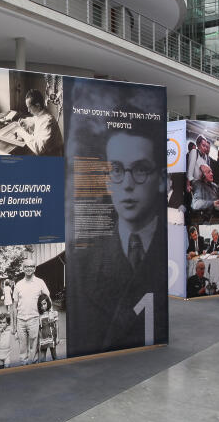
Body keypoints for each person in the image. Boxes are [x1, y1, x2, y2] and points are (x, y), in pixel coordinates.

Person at [67, 124, 166, 356]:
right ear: (107, 179)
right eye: (117, 170)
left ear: (161, 179)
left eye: (141, 169)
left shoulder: (168, 249)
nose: (128, 184)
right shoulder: (81, 263)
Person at [12, 260, 50, 364]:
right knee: (22, 348)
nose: (29, 268)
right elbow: (14, 306)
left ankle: (33, 368)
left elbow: (47, 299)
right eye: (26, 266)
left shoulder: (40, 282)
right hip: (20, 320)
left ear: (34, 268)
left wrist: (47, 315)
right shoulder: (18, 285)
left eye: (31, 266)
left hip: (34, 319)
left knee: (34, 347)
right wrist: (14, 325)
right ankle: (23, 367)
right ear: (23, 268)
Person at [7, 89, 63, 156]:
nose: (28, 110)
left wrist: (22, 133)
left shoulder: (48, 122)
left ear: (38, 105)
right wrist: (26, 121)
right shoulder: (40, 114)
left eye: (29, 107)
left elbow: (39, 149)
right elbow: (35, 119)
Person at [37, 292, 59, 361]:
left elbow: (57, 325)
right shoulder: (39, 316)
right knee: (42, 358)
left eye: (44, 304)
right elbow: (39, 329)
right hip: (43, 338)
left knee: (54, 355)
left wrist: (57, 337)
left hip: (52, 337)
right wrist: (39, 340)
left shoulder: (53, 313)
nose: (43, 306)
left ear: (48, 303)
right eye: (41, 305)